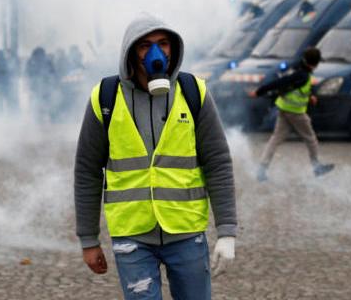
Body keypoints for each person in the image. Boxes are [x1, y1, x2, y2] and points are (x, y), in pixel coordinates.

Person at [74, 16, 237, 299]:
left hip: (186, 232)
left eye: (163, 43)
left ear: (173, 48)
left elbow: (218, 163)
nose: (155, 54)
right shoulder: (106, 97)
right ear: (130, 51)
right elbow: (87, 170)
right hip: (132, 236)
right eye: (145, 46)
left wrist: (227, 232)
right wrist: (88, 240)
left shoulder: (193, 92)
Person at [251, 47, 335, 182]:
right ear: (315, 63)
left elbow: (299, 88)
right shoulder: (303, 75)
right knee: (311, 139)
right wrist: (260, 91)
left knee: (275, 139)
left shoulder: (300, 71)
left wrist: (310, 96)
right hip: (295, 113)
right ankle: (316, 167)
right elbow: (281, 83)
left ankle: (262, 169)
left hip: (284, 109)